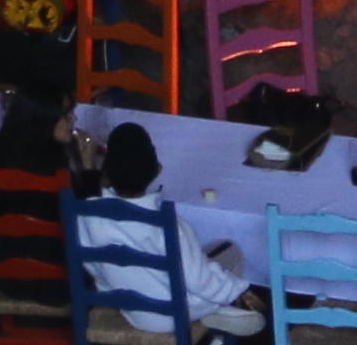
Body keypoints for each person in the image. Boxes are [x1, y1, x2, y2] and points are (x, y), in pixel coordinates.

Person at [87, 121, 256, 329]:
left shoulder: (87, 216)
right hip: (174, 314)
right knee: (229, 252)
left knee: (190, 266)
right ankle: (219, 311)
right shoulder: (168, 223)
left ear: (106, 170)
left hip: (132, 313)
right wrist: (239, 290)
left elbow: (94, 268)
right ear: (155, 167)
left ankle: (218, 312)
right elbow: (198, 280)